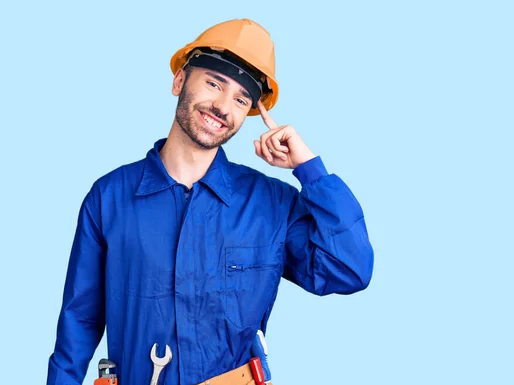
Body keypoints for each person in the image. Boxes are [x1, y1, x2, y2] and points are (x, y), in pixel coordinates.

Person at [46, 18, 374, 385]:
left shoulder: (272, 205)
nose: (222, 106)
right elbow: (80, 322)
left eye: (240, 99)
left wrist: (309, 168)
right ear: (179, 80)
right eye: (213, 83)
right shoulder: (109, 199)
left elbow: (349, 268)